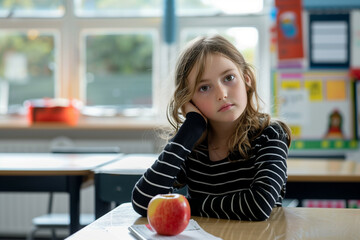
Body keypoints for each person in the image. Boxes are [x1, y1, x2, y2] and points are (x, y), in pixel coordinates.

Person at [132, 35, 291, 221]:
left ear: (246, 79)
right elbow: (144, 202)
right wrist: (191, 129)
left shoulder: (270, 134)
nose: (222, 94)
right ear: (189, 100)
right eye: (204, 88)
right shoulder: (193, 144)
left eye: (229, 78)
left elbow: (258, 206)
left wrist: (183, 205)